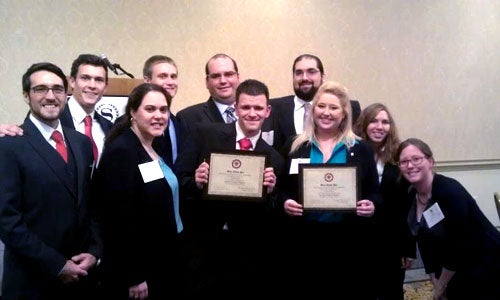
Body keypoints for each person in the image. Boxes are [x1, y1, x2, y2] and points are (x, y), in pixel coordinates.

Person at [0, 62, 102, 300]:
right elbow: (7, 220)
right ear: (27, 96)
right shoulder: (9, 145)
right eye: (40, 89)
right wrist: (57, 265)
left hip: (80, 276)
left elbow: (91, 204)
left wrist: (95, 252)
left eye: (57, 89)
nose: (50, 96)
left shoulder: (82, 143)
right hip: (32, 281)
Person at [176, 79, 284, 297]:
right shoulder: (204, 135)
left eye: (258, 108)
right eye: (245, 107)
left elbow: (272, 215)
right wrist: (196, 182)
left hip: (245, 254)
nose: (252, 113)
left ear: (267, 111)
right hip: (201, 247)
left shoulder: (275, 159)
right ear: (235, 108)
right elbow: (178, 181)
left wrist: (271, 193)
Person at [278, 80, 379, 298]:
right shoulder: (294, 145)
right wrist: (285, 202)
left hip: (346, 241)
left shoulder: (361, 149)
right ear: (313, 111)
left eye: (333, 108)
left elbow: (375, 192)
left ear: (344, 114)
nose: (326, 112)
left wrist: (371, 205)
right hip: (303, 240)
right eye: (321, 106)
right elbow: (280, 189)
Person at [91, 83, 185, 299]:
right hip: (139, 268)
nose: (159, 116)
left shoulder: (153, 146)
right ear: (133, 112)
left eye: (163, 110)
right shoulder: (122, 151)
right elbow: (118, 220)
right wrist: (133, 275)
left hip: (162, 256)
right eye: (150, 109)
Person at [396, 138, 500, 300]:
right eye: (404, 162)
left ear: (430, 162)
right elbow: (423, 240)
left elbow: (461, 245)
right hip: (449, 269)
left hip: (483, 264)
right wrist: (434, 280)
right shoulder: (411, 194)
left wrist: (442, 284)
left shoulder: (450, 191)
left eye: (416, 159)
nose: (410, 165)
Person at [0, 54, 112, 164]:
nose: (92, 85)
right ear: (72, 81)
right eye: (85, 78)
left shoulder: (110, 127)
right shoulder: (48, 114)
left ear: (105, 87)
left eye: (99, 80)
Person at [354, 103, 414, 299]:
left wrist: (407, 246)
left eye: (385, 122)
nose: (379, 127)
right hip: (359, 236)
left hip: (391, 238)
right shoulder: (350, 151)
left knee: (392, 291)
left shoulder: (399, 156)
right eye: (374, 121)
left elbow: (406, 205)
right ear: (363, 123)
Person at [261, 54, 361, 150]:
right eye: (299, 73)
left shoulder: (350, 108)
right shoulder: (274, 107)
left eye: (311, 72)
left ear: (322, 76)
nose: (304, 78)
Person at [176, 53, 240, 135]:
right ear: (207, 82)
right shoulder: (187, 118)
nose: (223, 81)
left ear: (238, 78)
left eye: (228, 74)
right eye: (216, 76)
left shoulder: (258, 113)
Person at [142, 55, 185, 165]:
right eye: (163, 76)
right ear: (147, 81)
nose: (170, 82)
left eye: (173, 76)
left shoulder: (178, 122)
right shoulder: (133, 122)